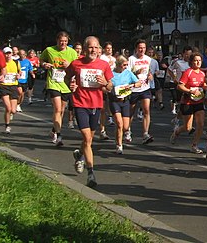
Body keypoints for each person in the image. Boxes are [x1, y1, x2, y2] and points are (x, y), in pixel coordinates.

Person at [65, 36, 113, 188]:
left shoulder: (104, 65)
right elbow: (67, 77)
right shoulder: (76, 63)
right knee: (86, 137)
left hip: (96, 104)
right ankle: (91, 174)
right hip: (80, 103)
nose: (93, 50)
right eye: (90, 47)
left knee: (89, 140)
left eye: (96, 47)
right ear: (85, 49)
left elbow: (109, 87)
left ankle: (80, 154)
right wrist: (71, 85)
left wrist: (105, 83)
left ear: (99, 49)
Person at [40, 31, 79, 147]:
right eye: (61, 41)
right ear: (57, 41)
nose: (63, 43)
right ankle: (58, 135)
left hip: (66, 84)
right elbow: (41, 60)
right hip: (53, 83)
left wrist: (70, 66)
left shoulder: (72, 52)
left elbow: (77, 67)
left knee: (62, 110)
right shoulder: (49, 50)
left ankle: (53, 130)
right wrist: (44, 65)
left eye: (65, 41)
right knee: (57, 109)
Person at [171, 52, 207, 153]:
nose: (198, 62)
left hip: (199, 101)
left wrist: (206, 87)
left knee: (200, 124)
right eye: (195, 60)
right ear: (191, 62)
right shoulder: (188, 72)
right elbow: (179, 86)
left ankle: (194, 145)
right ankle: (177, 131)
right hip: (187, 102)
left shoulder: (202, 73)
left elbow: (203, 84)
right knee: (188, 127)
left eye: (199, 61)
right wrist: (189, 91)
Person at [109, 55, 140, 154]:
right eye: (124, 65)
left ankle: (127, 132)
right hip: (115, 101)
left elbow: (138, 83)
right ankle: (119, 145)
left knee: (125, 126)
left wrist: (132, 85)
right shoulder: (111, 73)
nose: (126, 67)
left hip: (125, 101)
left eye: (127, 65)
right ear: (118, 65)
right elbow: (107, 85)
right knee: (119, 124)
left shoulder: (128, 73)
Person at [127, 39, 155, 144]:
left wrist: (150, 75)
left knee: (146, 110)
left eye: (143, 47)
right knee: (131, 112)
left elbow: (149, 71)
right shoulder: (131, 59)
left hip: (145, 88)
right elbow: (127, 73)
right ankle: (127, 131)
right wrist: (135, 72)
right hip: (134, 88)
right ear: (136, 49)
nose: (142, 49)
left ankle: (145, 134)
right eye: (140, 47)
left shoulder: (148, 59)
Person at [0, 47, 21, 134]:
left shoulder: (16, 62)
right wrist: (1, 77)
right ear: (3, 54)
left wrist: (18, 75)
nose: (8, 55)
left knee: (13, 110)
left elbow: (19, 72)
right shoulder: (1, 63)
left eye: (9, 53)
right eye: (6, 53)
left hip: (13, 86)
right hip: (4, 86)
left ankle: (10, 114)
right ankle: (7, 125)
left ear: (12, 54)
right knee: (8, 108)